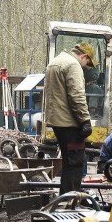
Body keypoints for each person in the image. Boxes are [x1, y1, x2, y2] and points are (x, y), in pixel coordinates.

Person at [44, 43, 98, 194]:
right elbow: (77, 96)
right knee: (76, 162)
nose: (87, 67)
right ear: (84, 56)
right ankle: (72, 199)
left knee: (68, 162)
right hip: (70, 123)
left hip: (57, 121)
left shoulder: (55, 62)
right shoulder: (73, 65)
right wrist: (85, 121)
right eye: (88, 63)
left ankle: (66, 196)